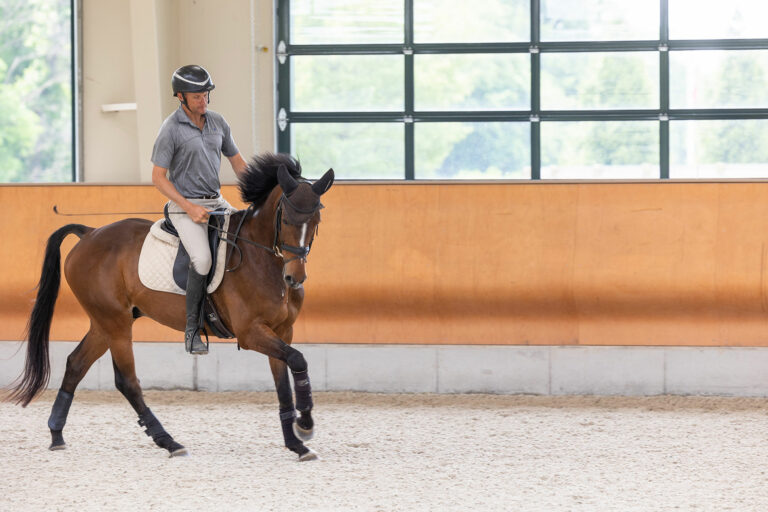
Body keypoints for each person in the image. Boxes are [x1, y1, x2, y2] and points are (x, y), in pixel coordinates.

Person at [151, 64, 248, 355]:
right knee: (203, 260)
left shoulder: (218, 122)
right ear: (180, 97)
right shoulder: (171, 129)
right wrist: (189, 207)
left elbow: (238, 162)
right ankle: (192, 330)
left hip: (216, 201)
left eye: (206, 94)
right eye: (196, 96)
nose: (202, 100)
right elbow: (158, 177)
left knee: (244, 241)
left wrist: (258, 190)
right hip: (185, 206)